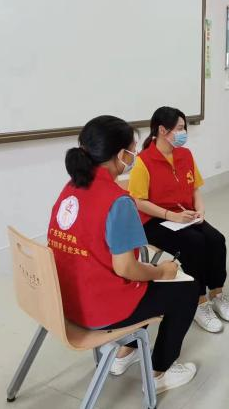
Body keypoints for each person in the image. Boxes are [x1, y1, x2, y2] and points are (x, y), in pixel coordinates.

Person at [47, 115, 199, 393]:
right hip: (97, 309)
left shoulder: (71, 188)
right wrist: (162, 272)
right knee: (186, 290)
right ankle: (159, 373)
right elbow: (127, 269)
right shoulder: (118, 201)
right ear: (120, 155)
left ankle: (123, 354)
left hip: (62, 302)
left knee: (148, 285)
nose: (134, 156)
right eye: (133, 149)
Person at [128, 106, 229, 333]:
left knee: (216, 239)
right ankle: (199, 302)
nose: (183, 133)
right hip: (155, 220)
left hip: (185, 215)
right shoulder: (143, 161)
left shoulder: (185, 155)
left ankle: (217, 294)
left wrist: (200, 210)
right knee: (194, 243)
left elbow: (195, 188)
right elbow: (138, 201)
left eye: (184, 128)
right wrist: (171, 216)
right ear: (162, 130)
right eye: (179, 128)